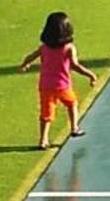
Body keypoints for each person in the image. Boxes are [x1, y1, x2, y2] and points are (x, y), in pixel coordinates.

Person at [19, 13, 97, 148]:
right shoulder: (68, 48)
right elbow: (74, 65)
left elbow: (31, 56)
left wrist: (25, 64)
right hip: (62, 85)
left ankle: (43, 140)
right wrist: (90, 75)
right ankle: (74, 128)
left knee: (46, 114)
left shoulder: (44, 48)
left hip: (45, 86)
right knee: (72, 104)